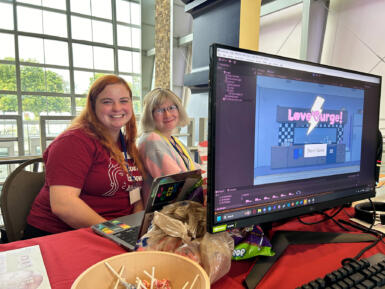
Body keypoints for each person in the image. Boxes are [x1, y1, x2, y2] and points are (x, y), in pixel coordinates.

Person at [24, 75, 144, 238]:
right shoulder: (74, 141)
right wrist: (117, 234)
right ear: (92, 106)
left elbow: (134, 191)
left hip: (113, 230)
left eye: (123, 100)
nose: (117, 108)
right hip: (61, 235)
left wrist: (138, 226)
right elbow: (63, 205)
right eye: (107, 101)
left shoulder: (124, 142)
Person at [138, 88, 201, 203]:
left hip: (181, 207)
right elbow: (176, 181)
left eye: (172, 108)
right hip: (165, 213)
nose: (167, 114)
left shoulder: (174, 141)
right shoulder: (152, 140)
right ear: (150, 115)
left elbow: (194, 169)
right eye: (160, 110)